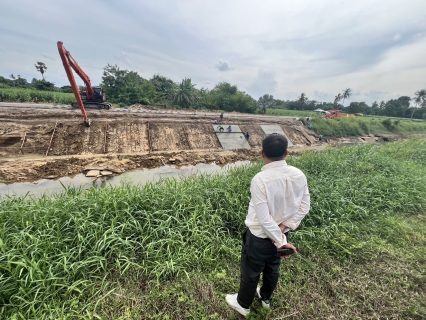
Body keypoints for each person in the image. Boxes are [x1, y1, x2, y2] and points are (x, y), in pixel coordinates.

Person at [225, 133, 310, 317]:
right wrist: (283, 231)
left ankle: (243, 304)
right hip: (282, 234)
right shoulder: (299, 174)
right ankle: (265, 298)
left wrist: (279, 240)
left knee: (251, 270)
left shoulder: (260, 180)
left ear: (262, 153)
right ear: (287, 153)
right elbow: (305, 206)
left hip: (260, 237)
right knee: (273, 268)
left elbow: (263, 219)